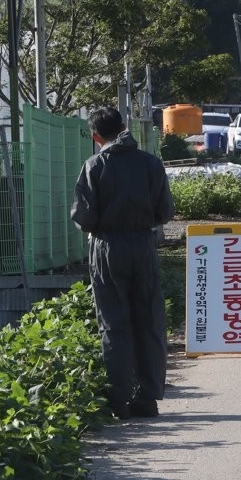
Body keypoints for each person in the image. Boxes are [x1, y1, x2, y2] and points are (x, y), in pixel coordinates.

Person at [71, 107, 175, 419]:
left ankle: (118, 400)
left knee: (114, 323)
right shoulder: (150, 164)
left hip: (108, 246)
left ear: (95, 136)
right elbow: (165, 211)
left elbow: (83, 215)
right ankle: (148, 397)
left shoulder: (94, 166)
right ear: (124, 127)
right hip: (143, 244)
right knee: (149, 320)